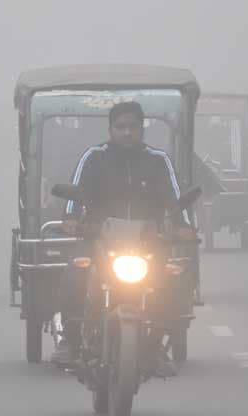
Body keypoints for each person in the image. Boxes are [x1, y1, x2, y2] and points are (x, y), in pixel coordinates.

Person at [53, 101, 196, 370]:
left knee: (173, 279)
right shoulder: (95, 157)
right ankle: (70, 340)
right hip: (99, 239)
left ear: (142, 129)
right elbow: (77, 191)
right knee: (75, 273)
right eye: (121, 127)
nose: (127, 132)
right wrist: (71, 219)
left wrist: (182, 226)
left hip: (147, 243)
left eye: (132, 127)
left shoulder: (158, 160)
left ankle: (155, 346)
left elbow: (174, 199)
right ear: (111, 129)